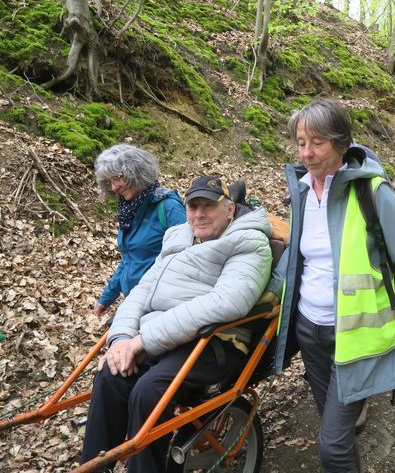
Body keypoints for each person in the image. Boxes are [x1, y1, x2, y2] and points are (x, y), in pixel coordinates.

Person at [262, 98, 395, 473]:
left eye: (317, 143)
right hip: (311, 333)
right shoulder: (302, 192)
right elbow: (297, 262)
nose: (306, 153)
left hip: (356, 338)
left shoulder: (370, 191)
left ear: (341, 143)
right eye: (301, 142)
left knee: (332, 446)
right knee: (334, 433)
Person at [81, 175, 273, 472]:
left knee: (149, 391)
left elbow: (227, 302)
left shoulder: (248, 242)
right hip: (163, 337)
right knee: (110, 374)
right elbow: (142, 291)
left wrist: (142, 341)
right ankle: (95, 466)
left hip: (215, 343)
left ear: (230, 209)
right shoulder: (178, 237)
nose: (199, 214)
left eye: (209, 206)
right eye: (193, 206)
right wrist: (120, 339)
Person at [93, 144, 186, 316]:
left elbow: (186, 260)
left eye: (118, 178)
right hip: (134, 301)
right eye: (109, 181)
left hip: (159, 306)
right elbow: (130, 259)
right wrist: (107, 297)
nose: (114, 187)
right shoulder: (129, 210)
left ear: (136, 172)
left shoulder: (168, 207)